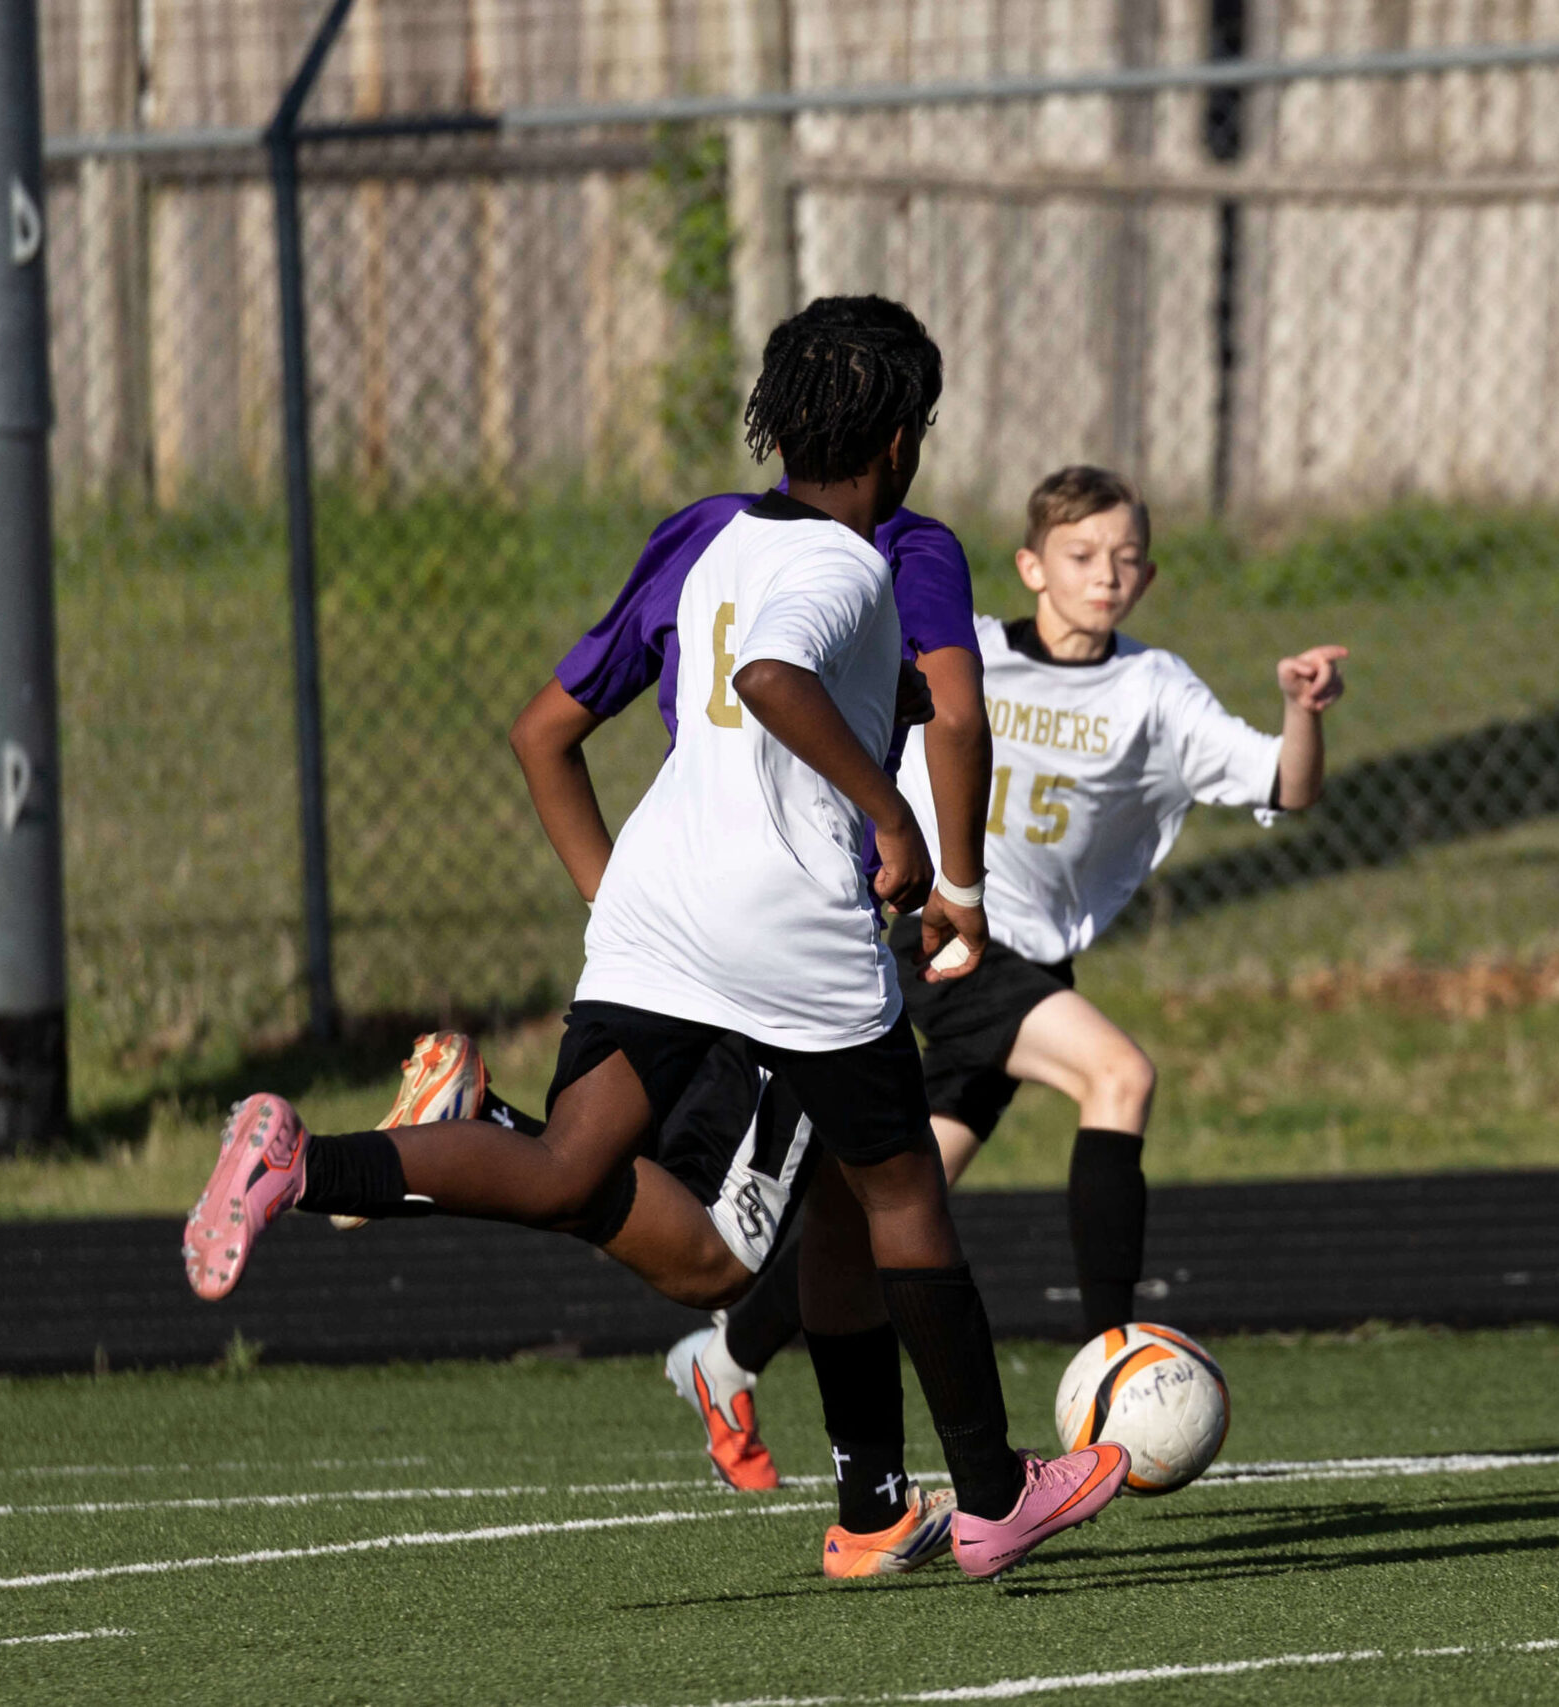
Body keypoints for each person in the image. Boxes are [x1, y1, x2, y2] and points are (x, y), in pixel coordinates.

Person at [182, 299, 1125, 1583]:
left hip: (655, 896)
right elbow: (785, 683)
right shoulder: (869, 561)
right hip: (790, 919)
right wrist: (903, 825)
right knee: (890, 1194)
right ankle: (996, 1497)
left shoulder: (715, 537)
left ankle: (304, 1163)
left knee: (576, 1169)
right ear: (901, 441)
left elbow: (628, 707)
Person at [692, 462, 1346, 1461]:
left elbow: (1288, 787)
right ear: (1032, 567)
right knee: (1120, 1075)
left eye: (1126, 557)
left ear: (1149, 576)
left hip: (1031, 967)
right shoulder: (970, 656)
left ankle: (727, 1355)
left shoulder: (1154, 689)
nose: (1106, 574)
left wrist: (1304, 711)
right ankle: (1118, 1361)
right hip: (944, 935)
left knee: (891, 1209)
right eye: (1081, 555)